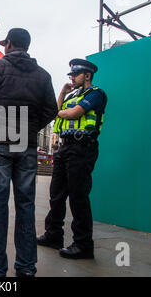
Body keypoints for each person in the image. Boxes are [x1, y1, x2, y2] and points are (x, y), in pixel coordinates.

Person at [0, 28, 58, 277]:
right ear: (27, 46)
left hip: (0, 143)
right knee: (26, 205)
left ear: (8, 44)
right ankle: (26, 267)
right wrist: (29, 128)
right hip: (26, 145)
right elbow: (51, 109)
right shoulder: (43, 75)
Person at [37, 58, 107, 260]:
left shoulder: (96, 94)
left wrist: (60, 112)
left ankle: (83, 244)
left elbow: (74, 113)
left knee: (78, 197)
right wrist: (62, 93)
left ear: (87, 75)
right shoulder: (70, 96)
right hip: (65, 148)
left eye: (75, 74)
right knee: (56, 195)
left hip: (82, 147)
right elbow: (55, 112)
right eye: (70, 75)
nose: (72, 78)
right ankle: (53, 235)